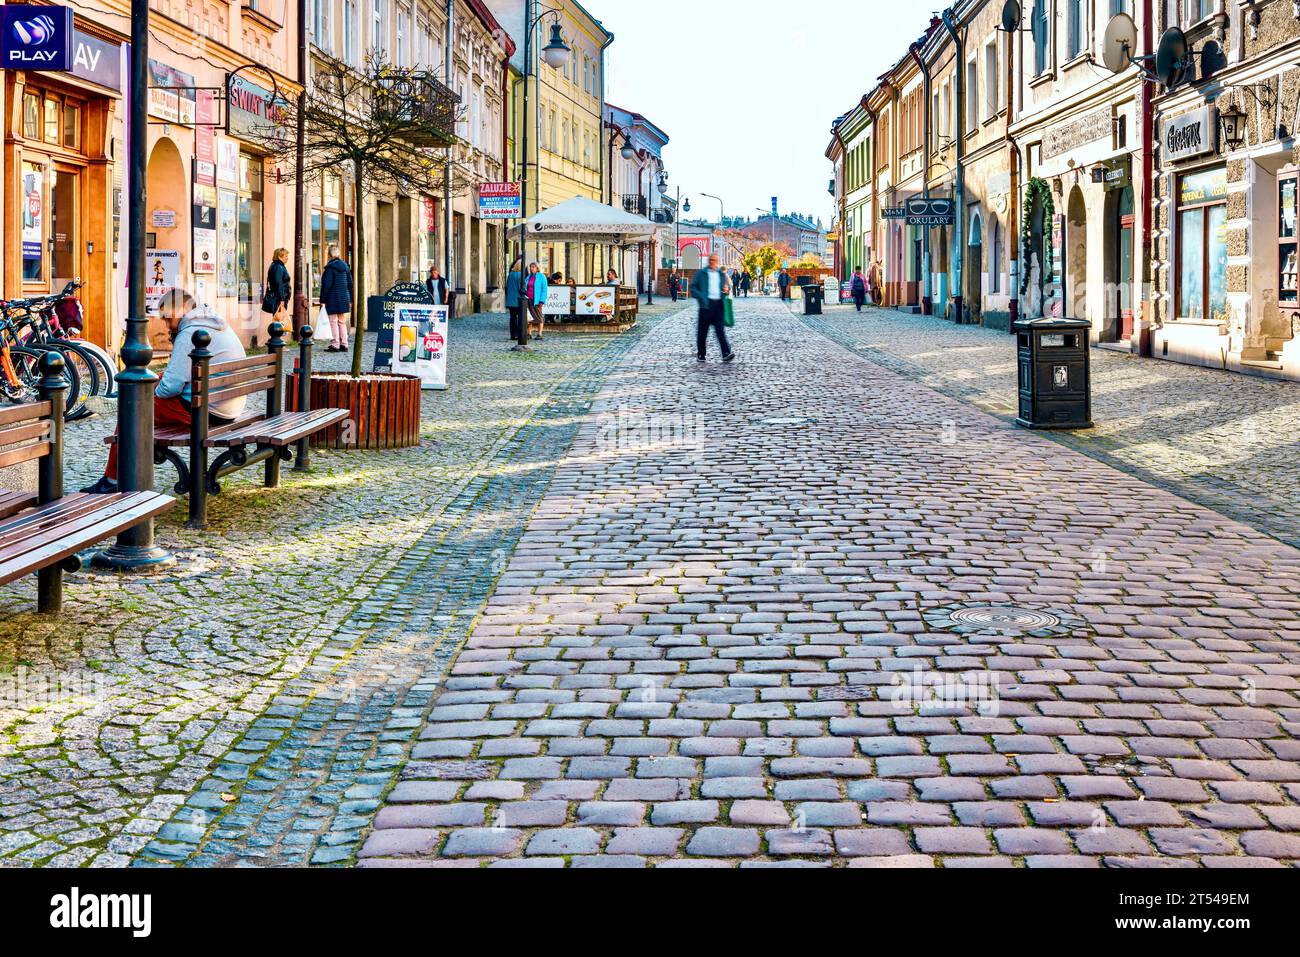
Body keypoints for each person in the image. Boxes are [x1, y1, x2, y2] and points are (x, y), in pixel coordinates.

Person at [83, 289, 247, 494]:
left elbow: (171, 387)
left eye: (168, 318)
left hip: (205, 409)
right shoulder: (216, 324)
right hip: (228, 406)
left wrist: (151, 396)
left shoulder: (190, 332)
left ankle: (112, 479)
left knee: (133, 411)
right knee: (154, 382)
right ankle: (124, 397)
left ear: (180, 309)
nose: (168, 324)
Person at [689, 253, 734, 364]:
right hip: (706, 306)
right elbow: (693, 287)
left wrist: (726, 290)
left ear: (717, 261)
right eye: (711, 260)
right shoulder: (701, 273)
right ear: (708, 261)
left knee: (720, 331)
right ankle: (701, 354)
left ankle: (726, 353)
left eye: (714, 260)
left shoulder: (720, 274)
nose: (712, 262)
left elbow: (725, 289)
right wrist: (701, 297)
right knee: (702, 332)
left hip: (718, 306)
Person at [319, 245, 353, 353]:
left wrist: (322, 300)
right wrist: (350, 299)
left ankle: (335, 344)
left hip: (332, 298)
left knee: (333, 321)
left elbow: (326, 286)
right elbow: (350, 284)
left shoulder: (329, 269)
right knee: (341, 321)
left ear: (329, 255)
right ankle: (344, 344)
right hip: (344, 298)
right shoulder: (345, 267)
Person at [264, 248, 292, 324]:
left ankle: (278, 335)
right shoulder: (278, 267)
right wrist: (282, 299)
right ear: (280, 257)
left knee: (279, 320)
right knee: (279, 321)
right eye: (285, 256)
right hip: (279, 299)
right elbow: (278, 283)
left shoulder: (277, 266)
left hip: (278, 298)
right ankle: (277, 335)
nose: (287, 258)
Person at [526, 262, 549, 342]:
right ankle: (529, 333)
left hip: (537, 300)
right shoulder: (528, 277)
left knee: (539, 316)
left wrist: (542, 300)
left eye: (533, 267)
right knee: (529, 317)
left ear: (537, 268)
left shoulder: (541, 277)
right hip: (528, 299)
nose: (531, 268)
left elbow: (544, 289)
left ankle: (540, 334)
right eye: (530, 267)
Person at [505, 259, 524, 342]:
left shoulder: (510, 275)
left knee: (512, 318)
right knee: (520, 318)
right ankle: (518, 334)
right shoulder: (521, 275)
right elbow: (522, 288)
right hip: (518, 300)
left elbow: (507, 287)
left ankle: (512, 334)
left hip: (510, 300)